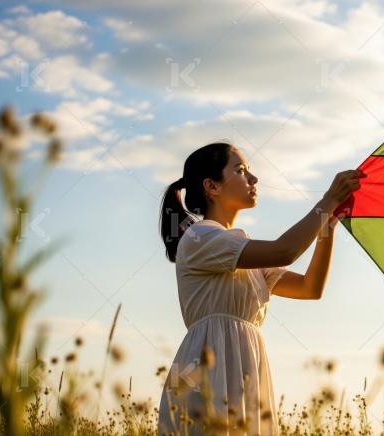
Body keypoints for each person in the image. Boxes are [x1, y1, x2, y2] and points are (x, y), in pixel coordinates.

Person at [156, 142, 365, 435]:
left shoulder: (241, 250)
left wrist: (327, 226)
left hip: (242, 362)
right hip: (207, 365)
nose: (253, 180)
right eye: (240, 171)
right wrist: (327, 200)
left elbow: (310, 287)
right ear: (211, 186)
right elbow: (284, 251)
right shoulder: (200, 237)